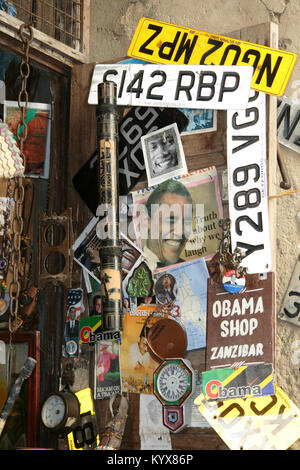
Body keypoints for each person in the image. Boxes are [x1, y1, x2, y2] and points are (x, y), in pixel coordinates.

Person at [143, 179, 193, 270]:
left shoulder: (192, 270)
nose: (180, 231)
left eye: (187, 222)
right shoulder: (126, 268)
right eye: (171, 220)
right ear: (147, 221)